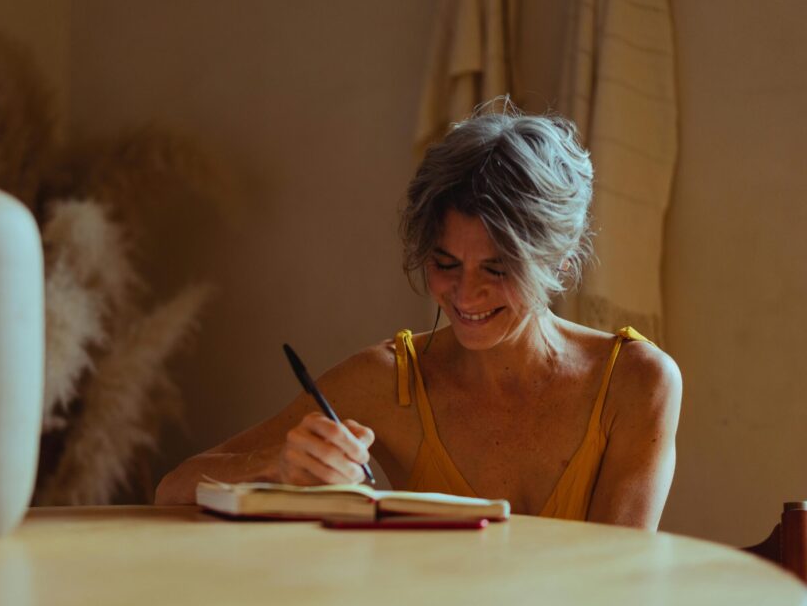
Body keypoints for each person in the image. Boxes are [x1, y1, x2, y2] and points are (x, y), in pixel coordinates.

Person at [155, 102, 681, 530]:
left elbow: (622, 580)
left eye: (497, 269)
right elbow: (174, 487)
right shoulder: (388, 382)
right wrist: (276, 468)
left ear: (560, 263)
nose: (465, 294)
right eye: (445, 263)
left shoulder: (636, 382)